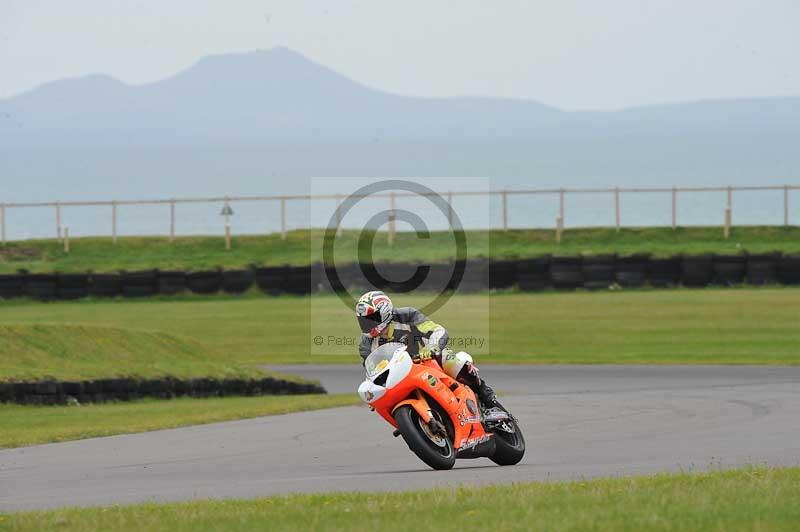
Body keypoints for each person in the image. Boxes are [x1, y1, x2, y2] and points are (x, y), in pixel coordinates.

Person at [356, 290, 496, 406]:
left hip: (427, 361)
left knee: (451, 360)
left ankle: (486, 395)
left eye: (372, 318)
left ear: (385, 312)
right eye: (364, 320)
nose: (368, 324)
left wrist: (432, 347)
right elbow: (371, 373)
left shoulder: (407, 316)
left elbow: (437, 331)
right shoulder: (365, 344)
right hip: (398, 378)